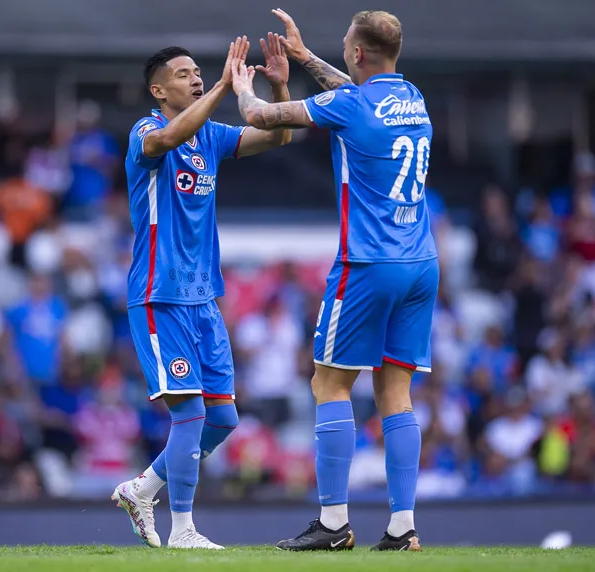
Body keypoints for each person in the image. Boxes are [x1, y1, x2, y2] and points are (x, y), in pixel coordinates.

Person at [230, 10, 437, 551]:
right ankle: (402, 528)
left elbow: (261, 115)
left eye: (345, 43)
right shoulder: (412, 98)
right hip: (421, 262)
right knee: (395, 391)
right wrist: (301, 60)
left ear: (358, 53)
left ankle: (333, 522)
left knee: (329, 383)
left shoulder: (350, 104)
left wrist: (240, 84)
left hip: (368, 263)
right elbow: (353, 96)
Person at [112, 36, 292, 550]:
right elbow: (168, 139)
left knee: (223, 418)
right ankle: (184, 530)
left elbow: (277, 138)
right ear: (158, 88)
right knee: (188, 413)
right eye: (185, 73)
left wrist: (278, 83)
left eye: (200, 71)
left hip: (202, 298)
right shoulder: (146, 131)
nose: (195, 77)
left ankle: (142, 488)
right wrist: (220, 88)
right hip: (158, 294)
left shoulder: (209, 136)